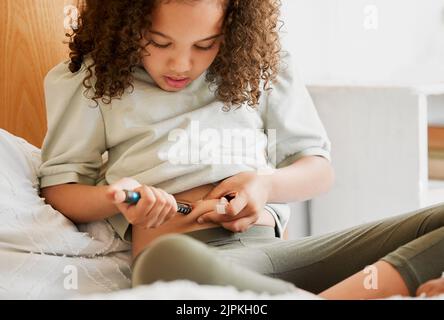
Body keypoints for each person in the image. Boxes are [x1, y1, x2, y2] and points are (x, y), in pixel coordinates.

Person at [38, 0, 444, 299]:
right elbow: (60, 189)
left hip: (276, 253)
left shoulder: (260, 65)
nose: (181, 64)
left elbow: (318, 169)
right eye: (159, 42)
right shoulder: (93, 79)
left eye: (205, 44)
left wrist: (264, 186)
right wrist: (116, 198)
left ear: (231, 29)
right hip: (180, 254)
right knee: (167, 261)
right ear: (126, 23)